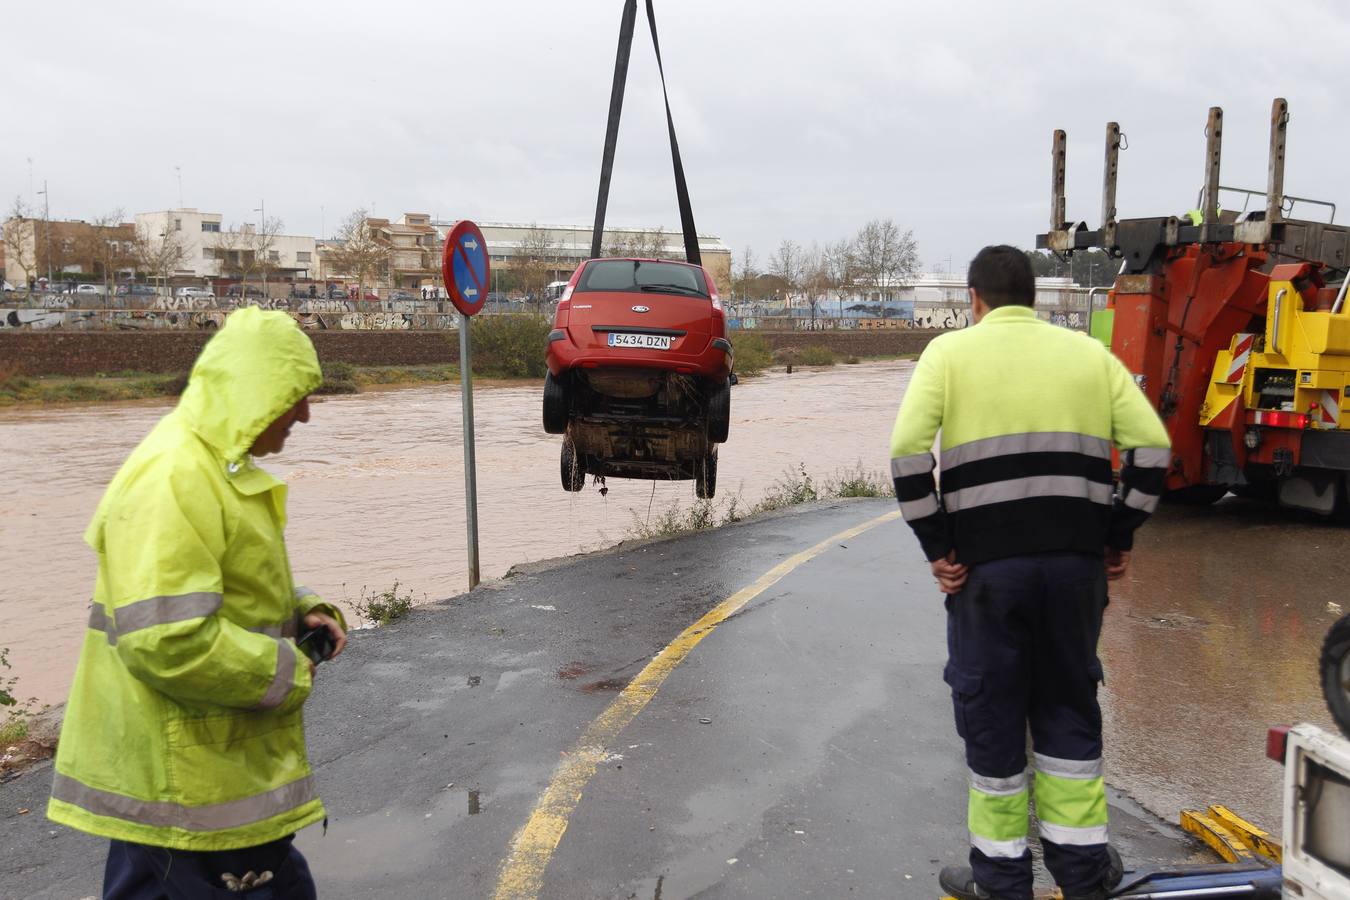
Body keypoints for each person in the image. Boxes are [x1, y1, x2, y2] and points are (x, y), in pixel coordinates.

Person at [889, 246, 1170, 900]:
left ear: (974, 300)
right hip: (1075, 571)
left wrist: (939, 547)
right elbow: (1153, 450)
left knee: (992, 721)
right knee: (1068, 714)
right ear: (1035, 300)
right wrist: (1116, 534)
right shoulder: (1088, 356)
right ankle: (1083, 876)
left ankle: (1001, 880)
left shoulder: (948, 355)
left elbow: (906, 456)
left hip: (987, 576)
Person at [48, 306, 348, 899]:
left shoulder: (216, 469)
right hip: (182, 794)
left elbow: (234, 581)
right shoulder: (174, 476)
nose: (306, 414)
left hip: (211, 780)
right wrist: (288, 667)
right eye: (296, 397)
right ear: (256, 393)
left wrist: (301, 608)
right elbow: (167, 639)